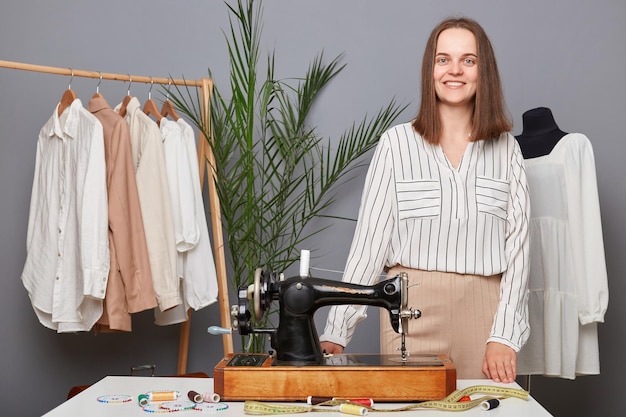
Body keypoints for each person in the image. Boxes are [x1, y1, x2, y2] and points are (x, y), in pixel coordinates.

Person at [319, 17, 530, 384]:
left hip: (485, 317)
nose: (454, 71)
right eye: (442, 59)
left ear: (485, 72)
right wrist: (337, 331)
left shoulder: (507, 149)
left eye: (469, 60)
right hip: (410, 313)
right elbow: (369, 245)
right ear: (429, 69)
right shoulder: (396, 144)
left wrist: (505, 335)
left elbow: (520, 250)